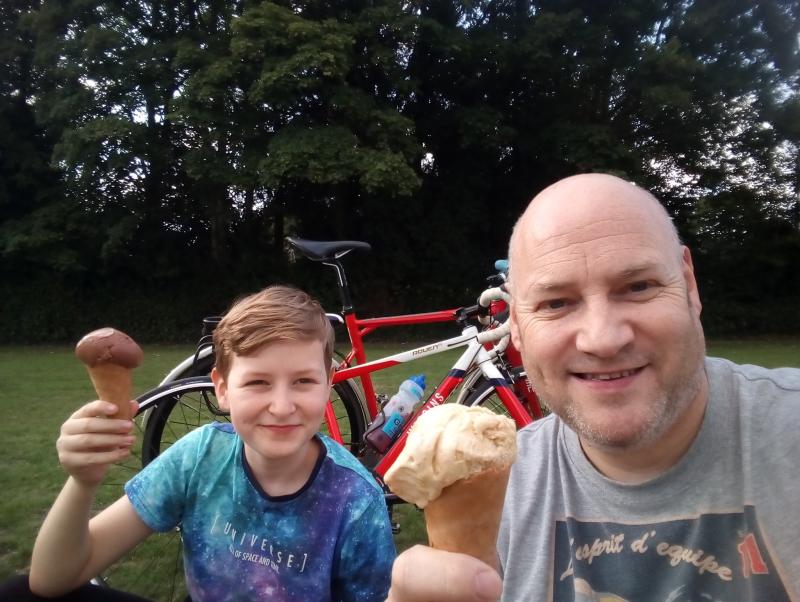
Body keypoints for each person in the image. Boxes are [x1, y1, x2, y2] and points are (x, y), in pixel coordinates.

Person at [387, 173, 800, 601]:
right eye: (556, 302)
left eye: (638, 287)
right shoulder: (499, 486)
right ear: (518, 328)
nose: (602, 339)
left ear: (689, 285)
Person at [7, 285, 395, 601]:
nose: (281, 406)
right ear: (223, 389)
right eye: (258, 382)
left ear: (328, 383)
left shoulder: (356, 500)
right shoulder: (200, 456)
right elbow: (52, 579)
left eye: (304, 381)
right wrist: (82, 481)